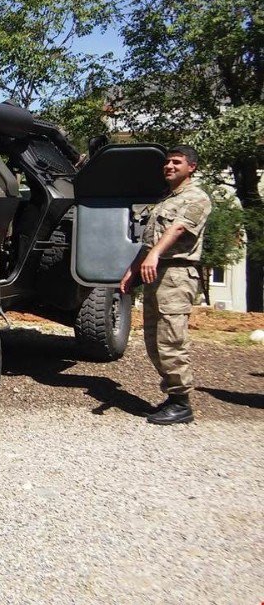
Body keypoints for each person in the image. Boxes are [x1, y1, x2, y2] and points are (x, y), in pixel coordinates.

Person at [119, 145, 212, 425]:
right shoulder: (164, 200)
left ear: (191, 167)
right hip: (154, 274)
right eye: (168, 162)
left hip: (176, 275)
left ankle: (182, 403)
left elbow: (179, 228)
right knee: (154, 340)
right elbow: (148, 243)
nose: (169, 166)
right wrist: (131, 270)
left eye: (177, 162)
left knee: (171, 339)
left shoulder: (197, 198)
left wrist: (156, 254)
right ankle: (173, 398)